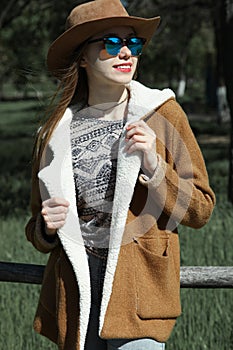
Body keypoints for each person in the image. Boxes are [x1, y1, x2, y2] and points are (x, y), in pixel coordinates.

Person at [25, 0, 216, 349]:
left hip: (140, 292)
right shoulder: (53, 133)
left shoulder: (162, 114)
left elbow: (201, 209)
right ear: (82, 56)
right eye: (110, 42)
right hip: (76, 298)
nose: (126, 51)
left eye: (133, 43)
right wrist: (46, 227)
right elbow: (37, 227)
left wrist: (154, 167)